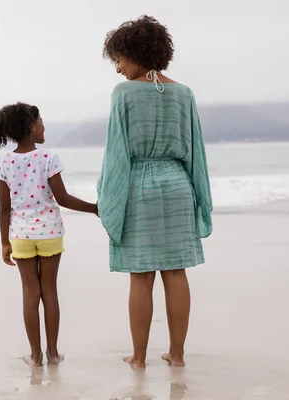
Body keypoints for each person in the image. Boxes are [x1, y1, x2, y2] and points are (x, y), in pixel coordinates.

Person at [97, 15, 213, 368]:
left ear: (135, 52)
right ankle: (177, 355)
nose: (117, 68)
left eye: (119, 58)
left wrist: (107, 197)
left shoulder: (124, 94)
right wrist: (199, 198)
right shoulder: (184, 93)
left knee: (142, 274)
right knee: (176, 272)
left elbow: (116, 153)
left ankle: (139, 358)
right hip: (178, 184)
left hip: (140, 187)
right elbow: (196, 151)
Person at [0, 102, 98, 366]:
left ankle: (35, 356)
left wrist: (4, 242)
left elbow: (4, 207)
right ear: (32, 127)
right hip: (49, 232)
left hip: (20, 236)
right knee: (50, 292)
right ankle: (53, 354)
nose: (44, 126)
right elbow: (63, 198)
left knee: (29, 293)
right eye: (41, 122)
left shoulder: (4, 162)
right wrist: (94, 208)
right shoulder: (48, 158)